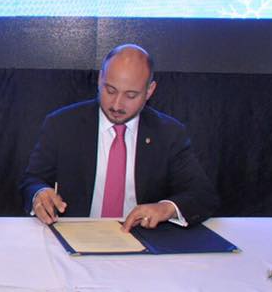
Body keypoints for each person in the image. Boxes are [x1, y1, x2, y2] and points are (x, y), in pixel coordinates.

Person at [20, 44, 219, 231]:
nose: (116, 105)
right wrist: (39, 194)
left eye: (130, 95)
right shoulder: (62, 124)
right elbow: (33, 180)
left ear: (149, 91)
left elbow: (202, 195)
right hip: (76, 234)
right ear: (100, 80)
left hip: (143, 238)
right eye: (110, 90)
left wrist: (165, 208)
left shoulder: (168, 133)